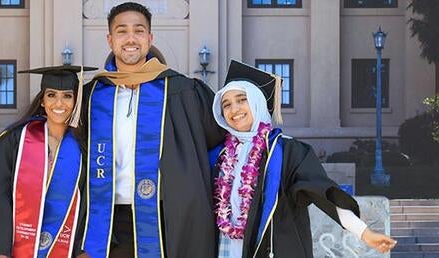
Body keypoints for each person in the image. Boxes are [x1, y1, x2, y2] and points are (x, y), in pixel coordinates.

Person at [77, 2, 225, 258]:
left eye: (139, 30)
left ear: (150, 37)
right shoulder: (91, 97)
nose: (130, 38)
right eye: (122, 31)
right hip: (108, 223)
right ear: (110, 39)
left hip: (167, 219)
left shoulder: (183, 91)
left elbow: (220, 139)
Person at [212, 60, 397, 257]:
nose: (234, 109)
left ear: (257, 102)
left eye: (242, 99)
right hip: (227, 250)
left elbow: (321, 191)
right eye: (226, 104)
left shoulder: (287, 151)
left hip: (273, 249)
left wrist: (363, 232)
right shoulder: (220, 156)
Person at [0, 65, 97, 258]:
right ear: (42, 100)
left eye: (67, 96)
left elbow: (90, 200)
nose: (59, 103)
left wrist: (83, 248)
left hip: (66, 247)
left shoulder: (85, 146)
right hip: (17, 245)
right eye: (51, 95)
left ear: (76, 101)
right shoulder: (16, 139)